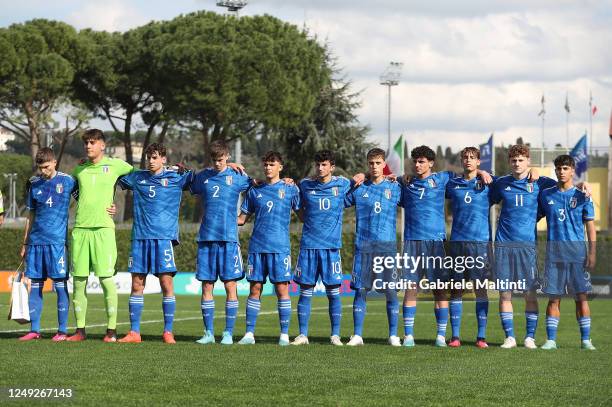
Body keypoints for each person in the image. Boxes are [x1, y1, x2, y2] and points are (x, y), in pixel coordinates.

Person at [399, 145, 492, 347]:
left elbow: (496, 180)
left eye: (422, 161)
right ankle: (409, 336)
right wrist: (398, 177)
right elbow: (386, 181)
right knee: (412, 288)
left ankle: (444, 336)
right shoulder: (407, 183)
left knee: (442, 289)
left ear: (431, 163)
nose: (417, 164)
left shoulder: (444, 179)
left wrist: (483, 172)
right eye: (415, 161)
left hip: (439, 243)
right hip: (414, 243)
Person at [117, 143, 193, 344]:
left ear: (163, 159)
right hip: (140, 238)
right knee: (136, 284)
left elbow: (204, 176)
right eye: (149, 157)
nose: (151, 161)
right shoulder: (137, 177)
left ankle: (168, 331)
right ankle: (134, 332)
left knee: (166, 283)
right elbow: (112, 176)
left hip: (163, 238)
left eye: (155, 157)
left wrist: (230, 165)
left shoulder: (176, 177)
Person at [68, 129, 133, 342]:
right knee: (78, 282)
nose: (88, 146)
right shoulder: (79, 169)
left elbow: (139, 174)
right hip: (80, 230)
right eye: (86, 142)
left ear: (102, 145)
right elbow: (72, 190)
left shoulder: (116, 165)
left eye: (93, 142)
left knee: (106, 280)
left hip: (104, 231)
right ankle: (80, 331)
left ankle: (111, 331)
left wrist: (115, 204)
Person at [490, 144, 557, 349]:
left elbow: (564, 185)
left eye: (521, 160)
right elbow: (483, 191)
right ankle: (509, 337)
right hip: (503, 245)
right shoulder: (501, 183)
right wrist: (484, 172)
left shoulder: (541, 182)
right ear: (509, 162)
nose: (517, 164)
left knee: (530, 293)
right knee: (505, 293)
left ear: (528, 161)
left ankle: (529, 337)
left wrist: (583, 186)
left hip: (527, 247)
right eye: (514, 160)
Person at [190, 140, 251, 345]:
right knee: (207, 286)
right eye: (214, 160)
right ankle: (208, 333)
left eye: (221, 159)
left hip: (228, 239)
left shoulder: (238, 177)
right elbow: (186, 183)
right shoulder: (203, 177)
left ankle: (227, 333)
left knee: (230, 285)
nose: (217, 164)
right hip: (206, 238)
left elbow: (260, 187)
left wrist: (243, 216)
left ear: (227, 157)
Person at [236, 151, 300, 346]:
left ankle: (284, 335)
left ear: (280, 167)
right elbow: (241, 219)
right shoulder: (255, 190)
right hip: (257, 247)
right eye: (265, 164)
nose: (268, 167)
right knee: (255, 289)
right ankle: (249, 334)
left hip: (280, 248)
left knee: (282, 289)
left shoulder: (291, 189)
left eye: (272, 164)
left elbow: (304, 214)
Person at [292, 150, 352, 346]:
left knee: (333, 291)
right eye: (318, 164)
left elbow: (363, 179)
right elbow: (298, 208)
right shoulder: (305, 185)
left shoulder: (342, 184)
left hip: (331, 248)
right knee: (305, 291)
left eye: (324, 165)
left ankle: (335, 335)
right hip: (309, 246)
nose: (320, 168)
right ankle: (303, 335)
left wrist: (362, 175)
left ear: (332, 167)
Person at [344, 148, 402, 347]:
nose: (375, 167)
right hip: (364, 247)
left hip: (387, 248)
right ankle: (358, 335)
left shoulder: (395, 187)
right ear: (367, 164)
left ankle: (393, 335)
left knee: (391, 291)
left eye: (378, 163)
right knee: (360, 290)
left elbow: (414, 195)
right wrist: (353, 180)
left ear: (384, 164)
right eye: (371, 163)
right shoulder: (360, 188)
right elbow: (339, 199)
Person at [538, 155, 596, 350]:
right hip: (554, 256)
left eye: (565, 168)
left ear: (572, 171)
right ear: (555, 171)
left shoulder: (583, 195)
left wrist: (592, 252)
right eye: (558, 169)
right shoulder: (546, 195)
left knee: (581, 297)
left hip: (577, 256)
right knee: (554, 298)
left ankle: (586, 340)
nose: (561, 172)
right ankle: (551, 340)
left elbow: (590, 227)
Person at [18, 148, 76, 341]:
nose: (43, 171)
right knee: (35, 285)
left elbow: (86, 199)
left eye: (46, 167)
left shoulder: (68, 181)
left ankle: (62, 331)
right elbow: (30, 215)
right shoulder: (34, 184)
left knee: (60, 285)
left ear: (54, 163)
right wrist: (25, 242)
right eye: (40, 167)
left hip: (57, 243)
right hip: (36, 243)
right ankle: (34, 330)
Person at [445, 147, 493, 348]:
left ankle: (481, 337)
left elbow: (516, 178)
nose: (468, 161)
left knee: (480, 289)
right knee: (456, 289)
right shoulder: (452, 183)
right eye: (465, 157)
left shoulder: (489, 183)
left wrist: (484, 174)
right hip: (457, 243)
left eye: (472, 158)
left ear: (479, 162)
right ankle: (455, 337)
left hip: (479, 243)